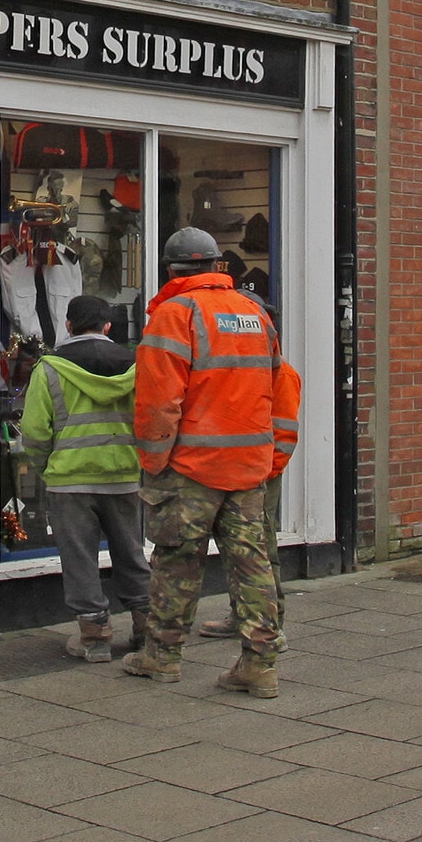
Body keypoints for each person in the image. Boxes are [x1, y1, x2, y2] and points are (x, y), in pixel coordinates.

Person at [126, 227, 295, 698]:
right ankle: (260, 665)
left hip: (192, 466)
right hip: (248, 466)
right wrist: (271, 454)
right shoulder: (254, 312)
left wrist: (154, 460)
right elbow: (277, 384)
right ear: (217, 265)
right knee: (252, 563)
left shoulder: (174, 314)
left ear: (171, 269)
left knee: (177, 563)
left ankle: (162, 657)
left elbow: (158, 400)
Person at [20, 294, 149, 663]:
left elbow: (33, 431)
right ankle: (147, 628)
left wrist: (48, 466)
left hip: (70, 480)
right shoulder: (137, 364)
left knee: (80, 560)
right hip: (124, 476)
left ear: (68, 325)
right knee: (132, 555)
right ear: (108, 327)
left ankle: (95, 637)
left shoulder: (49, 369)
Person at [200, 298, 299, 648]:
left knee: (261, 546)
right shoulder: (251, 371)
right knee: (241, 547)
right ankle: (243, 613)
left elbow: (285, 431)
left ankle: (272, 620)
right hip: (248, 468)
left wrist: (266, 472)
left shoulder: (281, 374)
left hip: (261, 473)